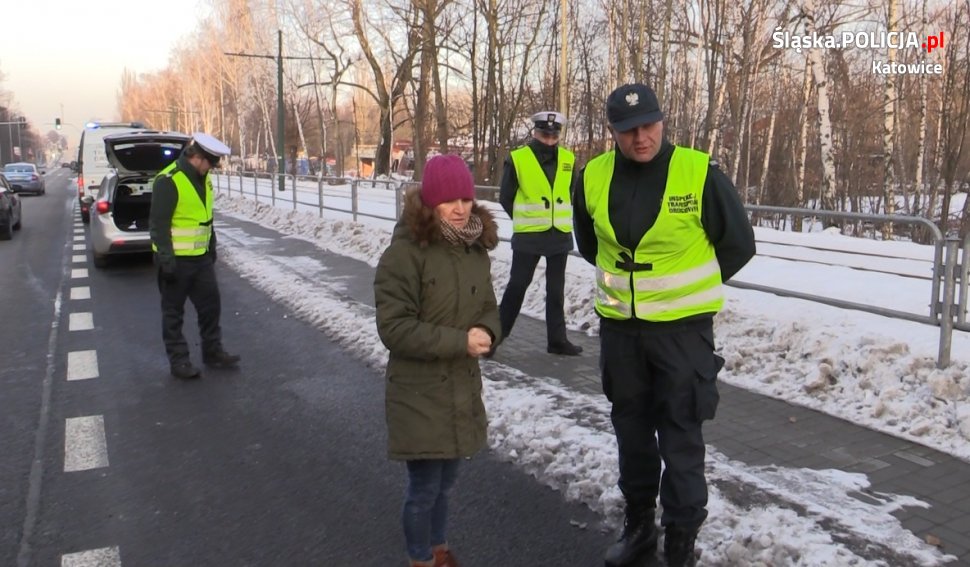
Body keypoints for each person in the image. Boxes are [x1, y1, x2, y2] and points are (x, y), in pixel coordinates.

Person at [573, 84, 756, 567]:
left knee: (680, 439)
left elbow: (738, 244)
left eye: (649, 125)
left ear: (663, 121)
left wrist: (686, 296)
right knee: (631, 433)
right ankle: (639, 530)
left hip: (681, 338)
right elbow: (590, 245)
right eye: (628, 130)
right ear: (611, 131)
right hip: (621, 334)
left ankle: (680, 543)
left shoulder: (699, 173)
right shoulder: (592, 175)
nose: (640, 138)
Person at [374, 154, 501, 567]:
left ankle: (439, 547)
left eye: (466, 197)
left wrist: (488, 331)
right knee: (424, 488)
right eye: (449, 200)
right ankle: (420, 558)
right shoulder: (405, 255)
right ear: (430, 203)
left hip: (460, 389)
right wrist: (459, 342)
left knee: (446, 485)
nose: (461, 208)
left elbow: (487, 306)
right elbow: (394, 329)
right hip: (419, 392)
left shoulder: (474, 251)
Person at [150, 133, 240, 379]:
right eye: (210, 163)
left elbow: (205, 217)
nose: (212, 168)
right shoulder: (168, 181)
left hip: (201, 259)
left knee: (211, 307)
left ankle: (213, 351)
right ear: (197, 157)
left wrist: (211, 246)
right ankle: (179, 361)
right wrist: (166, 260)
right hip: (176, 262)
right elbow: (158, 225)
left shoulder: (205, 178)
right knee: (173, 314)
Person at [493, 110, 582, 356]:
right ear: (536, 133)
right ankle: (495, 338)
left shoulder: (568, 158)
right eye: (544, 135)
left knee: (556, 291)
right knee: (517, 286)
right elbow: (506, 196)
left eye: (554, 136)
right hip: (529, 236)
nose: (549, 140)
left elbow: (571, 193)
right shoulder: (519, 158)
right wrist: (526, 219)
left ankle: (557, 340)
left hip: (559, 235)